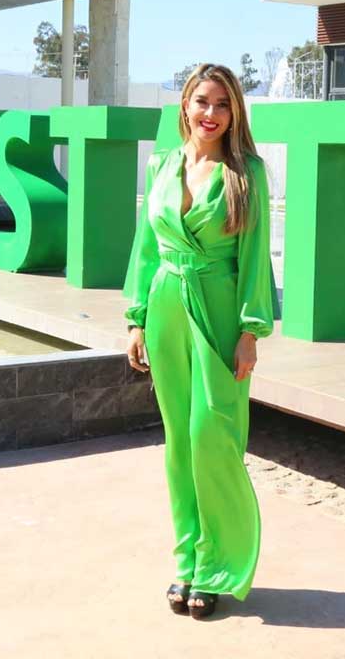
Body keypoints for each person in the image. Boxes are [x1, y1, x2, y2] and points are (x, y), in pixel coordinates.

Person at [124, 63, 274, 620]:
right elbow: (145, 248)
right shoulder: (162, 165)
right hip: (166, 304)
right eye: (202, 101)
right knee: (178, 443)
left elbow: (255, 257)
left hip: (219, 308)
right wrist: (136, 319)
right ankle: (186, 560)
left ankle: (217, 565)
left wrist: (251, 332)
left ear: (235, 113)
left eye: (223, 104)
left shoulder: (247, 173)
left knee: (212, 435)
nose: (211, 113)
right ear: (185, 104)